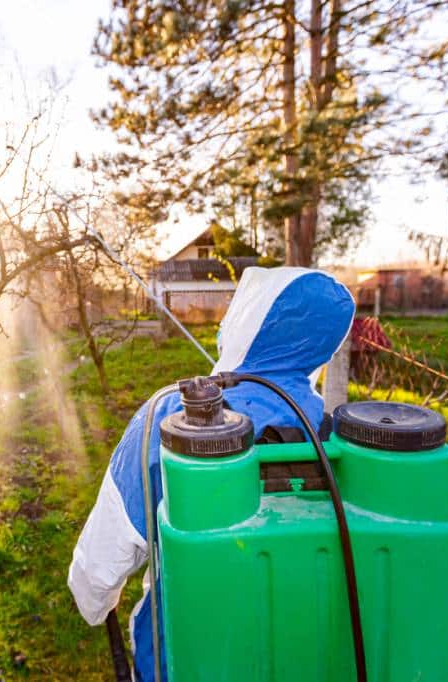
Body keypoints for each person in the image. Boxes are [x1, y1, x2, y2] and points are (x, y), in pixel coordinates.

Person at [68, 266, 356, 681]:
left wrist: (95, 603)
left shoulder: (164, 418)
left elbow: (104, 558)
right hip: (306, 656)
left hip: (185, 659)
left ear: (246, 320)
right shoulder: (333, 435)